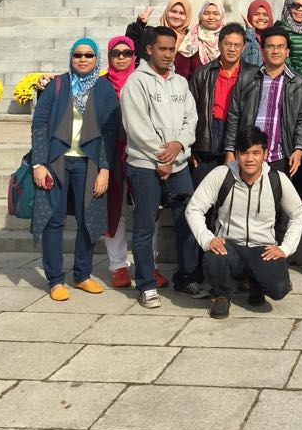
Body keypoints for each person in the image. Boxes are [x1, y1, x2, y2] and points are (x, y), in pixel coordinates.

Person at [185, 126, 302, 318]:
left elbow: (298, 213)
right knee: (213, 257)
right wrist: (208, 239)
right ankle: (221, 296)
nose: (250, 159)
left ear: (265, 154)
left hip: (262, 249)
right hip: (229, 247)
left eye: (256, 153)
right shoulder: (221, 174)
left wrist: (285, 248)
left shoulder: (277, 179)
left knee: (279, 289)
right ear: (236, 154)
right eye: (244, 153)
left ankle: (256, 284)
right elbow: (194, 208)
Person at [120, 26, 202, 308]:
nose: (168, 54)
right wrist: (162, 158)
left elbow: (191, 120)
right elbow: (137, 127)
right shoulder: (136, 82)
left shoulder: (180, 83)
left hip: (178, 165)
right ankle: (146, 285)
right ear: (149, 50)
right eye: (162, 49)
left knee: (188, 221)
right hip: (144, 165)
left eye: (171, 49)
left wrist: (179, 144)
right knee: (145, 226)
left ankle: (186, 278)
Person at [31, 38, 118, 301]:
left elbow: (110, 132)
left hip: (88, 162)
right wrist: (38, 163)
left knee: (88, 217)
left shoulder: (104, 88)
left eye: (88, 55)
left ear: (96, 59)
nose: (83, 59)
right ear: (71, 57)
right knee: (53, 219)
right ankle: (55, 280)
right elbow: (39, 124)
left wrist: (105, 169)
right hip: (56, 161)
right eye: (78, 55)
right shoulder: (58, 84)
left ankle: (82, 275)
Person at [100, 36, 170, 291]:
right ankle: (118, 266)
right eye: (116, 53)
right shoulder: (101, 85)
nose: (121, 57)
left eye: (127, 53)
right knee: (114, 210)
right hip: (112, 154)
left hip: (143, 152)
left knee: (148, 211)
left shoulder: (143, 80)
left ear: (135, 56)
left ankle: (149, 265)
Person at [224, 26, 302, 178]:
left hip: (280, 157)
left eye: (280, 47)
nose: (276, 51)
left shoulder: (297, 83)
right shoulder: (246, 78)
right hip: (248, 155)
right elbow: (234, 115)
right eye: (270, 46)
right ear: (262, 51)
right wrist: (230, 150)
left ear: (287, 52)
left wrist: (299, 148)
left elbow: (301, 119)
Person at [189, 23, 254, 187]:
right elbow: (189, 112)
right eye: (228, 44)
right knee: (203, 190)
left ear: (243, 47)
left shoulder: (253, 74)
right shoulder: (202, 73)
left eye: (237, 45)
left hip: (239, 134)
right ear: (219, 45)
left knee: (233, 191)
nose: (232, 49)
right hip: (208, 137)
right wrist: (189, 147)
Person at [126, 0, 192, 62]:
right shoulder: (152, 34)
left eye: (182, 13)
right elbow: (129, 45)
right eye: (173, 11)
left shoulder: (191, 39)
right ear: (167, 12)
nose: (176, 16)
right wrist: (140, 24)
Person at [176, 0, 227, 79]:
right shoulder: (192, 39)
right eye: (206, 13)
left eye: (216, 13)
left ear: (222, 16)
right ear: (200, 15)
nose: (211, 17)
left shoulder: (229, 38)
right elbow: (181, 75)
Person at [242, 0, 273, 67]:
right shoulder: (243, 37)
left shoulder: (276, 38)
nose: (261, 18)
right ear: (250, 16)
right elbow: (239, 57)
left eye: (265, 14)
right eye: (256, 14)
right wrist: (250, 33)